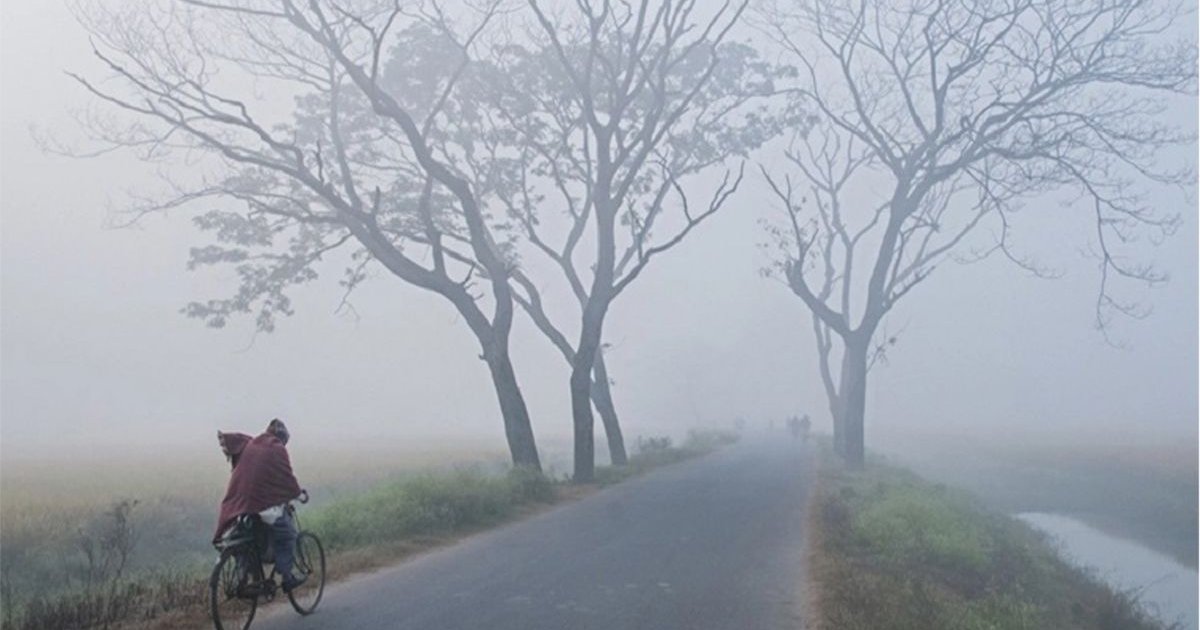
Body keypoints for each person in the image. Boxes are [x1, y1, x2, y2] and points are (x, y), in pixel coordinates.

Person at [213, 418, 307, 593]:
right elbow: (286, 477)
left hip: (240, 504)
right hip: (262, 504)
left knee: (245, 538)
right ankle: (286, 577)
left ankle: (243, 577)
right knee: (288, 535)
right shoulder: (277, 449)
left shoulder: (252, 444)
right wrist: (298, 494)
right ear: (282, 438)